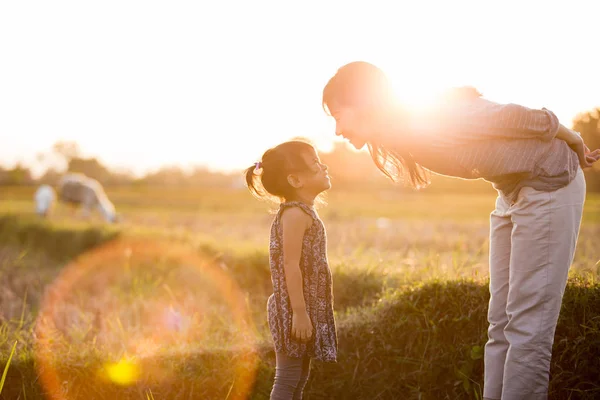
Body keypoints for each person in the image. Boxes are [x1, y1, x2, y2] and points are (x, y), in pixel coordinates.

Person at [321, 61, 600, 400]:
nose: (336, 129)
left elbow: (524, 118)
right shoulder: (405, 131)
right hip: (511, 192)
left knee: (529, 327)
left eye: (338, 115)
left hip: (550, 183)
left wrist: (574, 140)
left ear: (363, 103)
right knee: (500, 324)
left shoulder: (438, 116)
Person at [245, 139, 338, 400]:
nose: (324, 167)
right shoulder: (295, 214)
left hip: (303, 307)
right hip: (293, 309)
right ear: (296, 180)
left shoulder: (304, 212)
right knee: (287, 378)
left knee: (298, 377)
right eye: (315, 164)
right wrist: (299, 312)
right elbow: (290, 265)